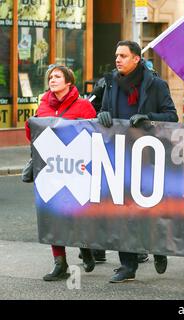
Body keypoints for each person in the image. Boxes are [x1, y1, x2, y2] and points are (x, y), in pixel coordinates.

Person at [96, 40, 178, 283]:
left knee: (149, 210)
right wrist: (102, 113)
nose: (117, 59)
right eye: (116, 55)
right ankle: (127, 266)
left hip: (148, 157)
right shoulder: (110, 82)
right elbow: (101, 110)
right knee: (123, 211)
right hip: (120, 156)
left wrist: (148, 117)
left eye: (123, 55)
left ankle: (158, 247)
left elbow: (171, 116)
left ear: (136, 59)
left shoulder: (155, 84)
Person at [25, 65, 97, 281]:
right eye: (50, 77)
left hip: (77, 171)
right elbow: (34, 137)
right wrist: (32, 123)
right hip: (51, 170)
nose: (52, 80)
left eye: (57, 76)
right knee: (52, 215)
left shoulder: (83, 106)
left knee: (77, 215)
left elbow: (94, 136)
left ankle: (85, 247)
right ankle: (60, 263)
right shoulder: (44, 105)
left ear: (69, 82)